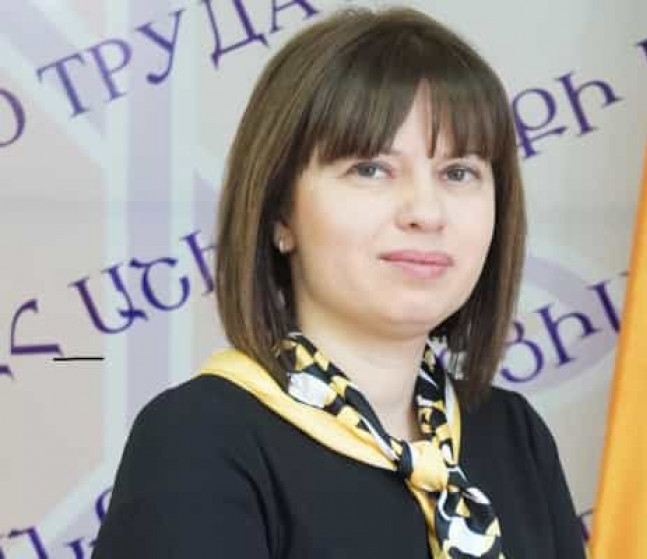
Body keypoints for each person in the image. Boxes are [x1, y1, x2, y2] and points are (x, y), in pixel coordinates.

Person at [92, 7, 586, 558]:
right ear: (281, 213)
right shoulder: (199, 440)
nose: (426, 212)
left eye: (458, 173)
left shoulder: (515, 436)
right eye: (370, 169)